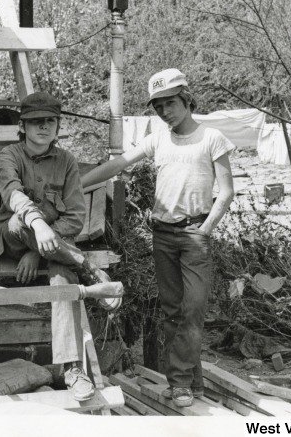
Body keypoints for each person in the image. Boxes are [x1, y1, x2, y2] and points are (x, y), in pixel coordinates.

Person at [81, 68, 235, 408]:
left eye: (169, 103)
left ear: (186, 99)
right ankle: (191, 384)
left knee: (193, 309)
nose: (164, 112)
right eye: (158, 107)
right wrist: (78, 185)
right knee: (171, 311)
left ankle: (178, 382)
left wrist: (205, 228)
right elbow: (117, 164)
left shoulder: (212, 138)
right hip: (163, 235)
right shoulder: (158, 138)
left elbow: (226, 192)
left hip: (195, 233)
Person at [0, 91, 121, 401]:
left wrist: (39, 248)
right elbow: (12, 195)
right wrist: (37, 224)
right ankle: (89, 269)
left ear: (57, 125)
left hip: (52, 244)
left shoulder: (67, 161)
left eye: (49, 122)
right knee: (21, 223)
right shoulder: (9, 156)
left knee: (61, 276)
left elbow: (75, 218)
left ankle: (71, 369)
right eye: (35, 123)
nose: (43, 128)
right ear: (23, 126)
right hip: (14, 237)